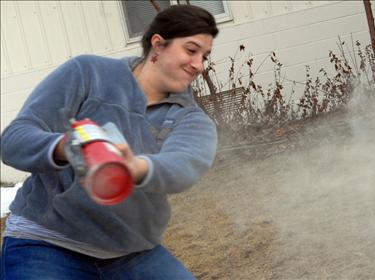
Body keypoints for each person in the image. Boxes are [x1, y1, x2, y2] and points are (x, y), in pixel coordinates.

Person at [1, 4, 218, 279]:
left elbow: (183, 165)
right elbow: (14, 139)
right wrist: (65, 146)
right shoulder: (87, 72)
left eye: (205, 56)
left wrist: (135, 167)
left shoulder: (193, 121)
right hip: (45, 241)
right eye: (191, 50)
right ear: (158, 45)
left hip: (132, 252)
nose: (199, 65)